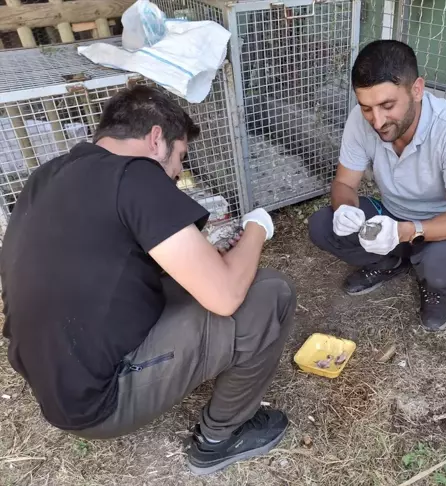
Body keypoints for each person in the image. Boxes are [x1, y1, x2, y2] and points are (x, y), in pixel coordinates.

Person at [0, 86, 296, 476]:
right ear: (157, 139)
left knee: (198, 283)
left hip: (54, 382)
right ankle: (220, 438)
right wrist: (258, 227)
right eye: (180, 159)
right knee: (269, 293)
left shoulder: (47, 174)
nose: (176, 175)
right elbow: (224, 296)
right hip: (99, 401)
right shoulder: (137, 173)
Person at [309, 40, 446, 332]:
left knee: (441, 268)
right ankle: (393, 260)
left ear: (416, 90)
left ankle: (432, 282)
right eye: (366, 108)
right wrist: (345, 209)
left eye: (387, 106)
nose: (376, 121)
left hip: (443, 226)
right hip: (392, 213)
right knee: (322, 225)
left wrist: (407, 231)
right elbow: (344, 183)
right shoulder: (360, 121)